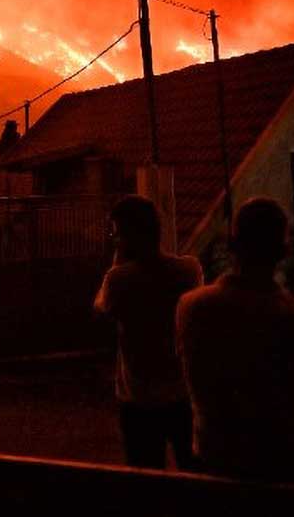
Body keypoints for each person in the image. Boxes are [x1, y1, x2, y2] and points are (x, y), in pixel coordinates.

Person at [176, 197, 294, 484]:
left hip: (216, 456)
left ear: (232, 245)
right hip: (287, 459)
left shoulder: (191, 307)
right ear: (283, 250)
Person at [94, 195, 203, 469]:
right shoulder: (189, 270)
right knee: (193, 470)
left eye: (116, 234)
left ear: (129, 235)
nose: (114, 239)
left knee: (145, 479)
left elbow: (101, 308)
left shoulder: (119, 279)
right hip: (183, 391)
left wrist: (118, 259)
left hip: (138, 398)